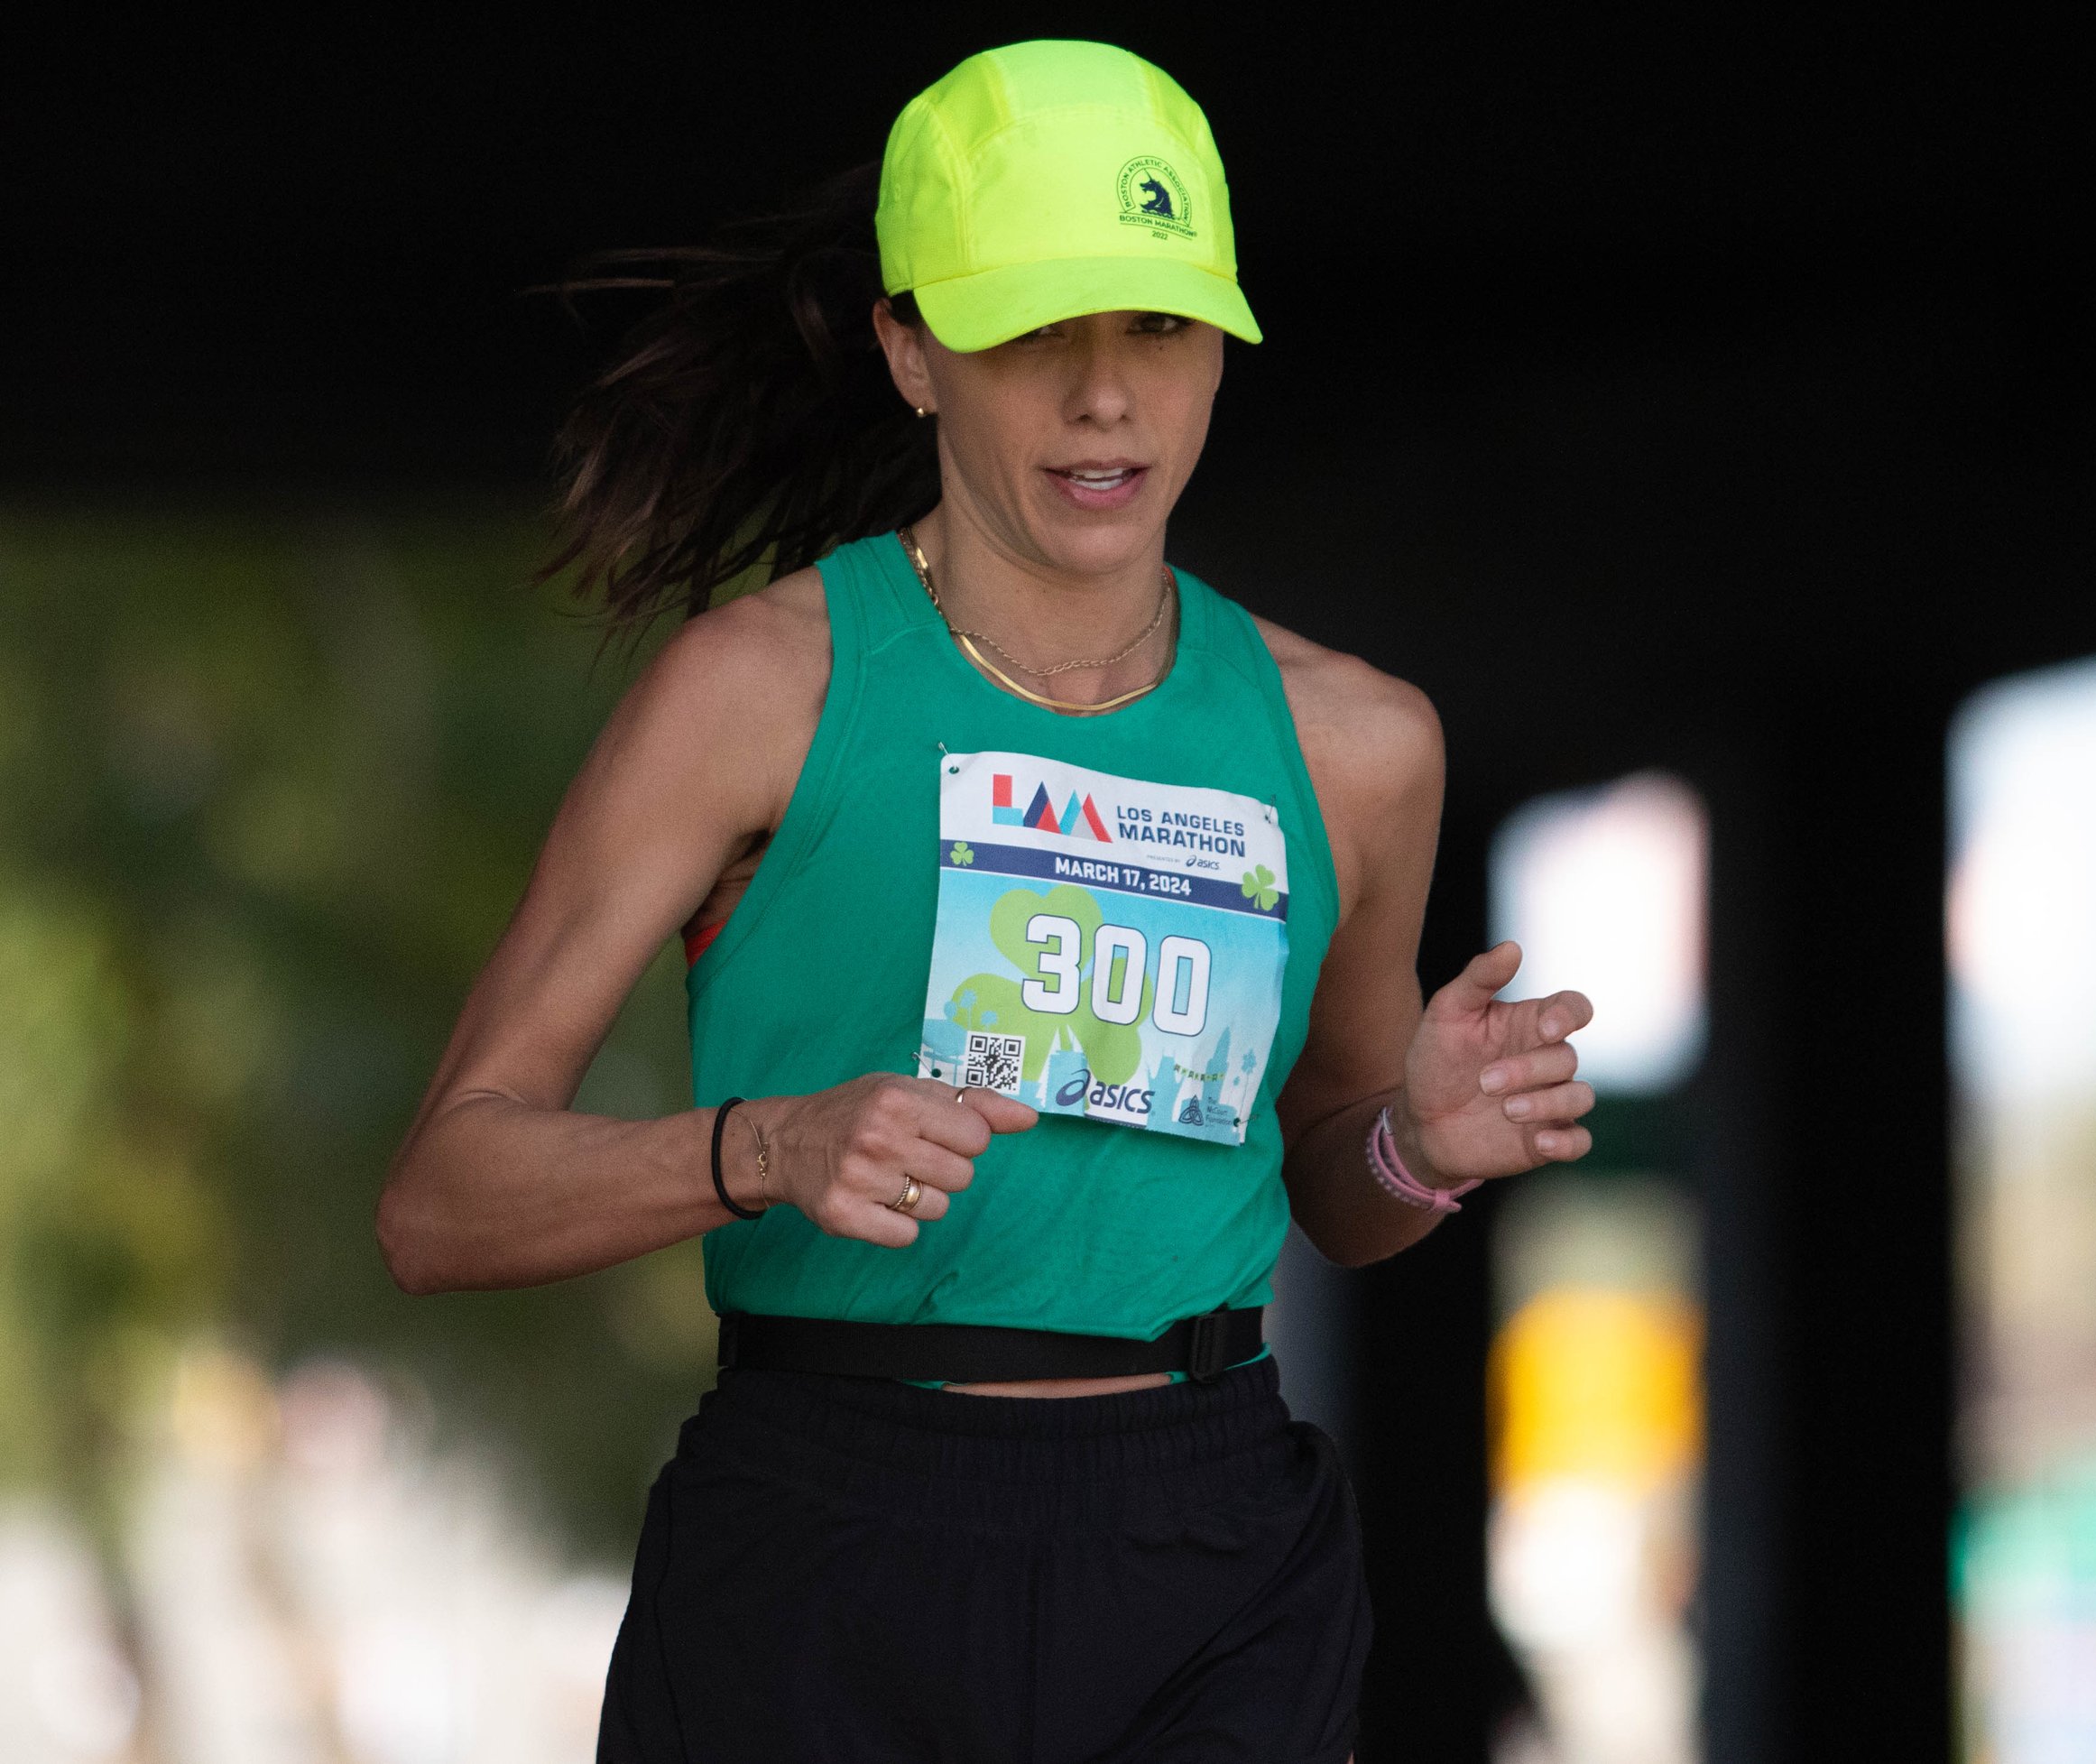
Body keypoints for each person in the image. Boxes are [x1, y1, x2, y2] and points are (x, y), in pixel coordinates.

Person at [376, 38, 1593, 1763]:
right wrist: (767, 1151)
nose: (1108, 399)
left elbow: (1344, 1190)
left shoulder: (1357, 745)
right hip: (824, 1535)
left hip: (1213, 1537)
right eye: (1037, 331)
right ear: (908, 349)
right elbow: (441, 1201)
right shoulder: (759, 692)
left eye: (1161, 329)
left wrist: (1421, 1141)